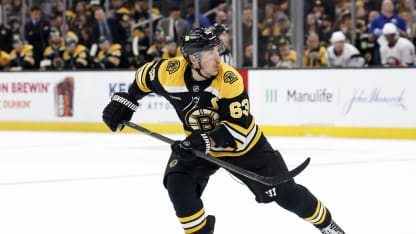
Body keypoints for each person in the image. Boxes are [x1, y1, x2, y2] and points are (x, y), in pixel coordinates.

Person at [102, 27, 345, 234]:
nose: (217, 58)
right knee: (178, 184)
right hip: (198, 144)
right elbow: (143, 78)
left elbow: (238, 130)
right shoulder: (168, 72)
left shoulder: (229, 80)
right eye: (209, 53)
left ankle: (328, 225)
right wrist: (124, 102)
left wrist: (201, 141)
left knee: (287, 195)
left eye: (217, 50)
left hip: (245, 148)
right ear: (193, 59)